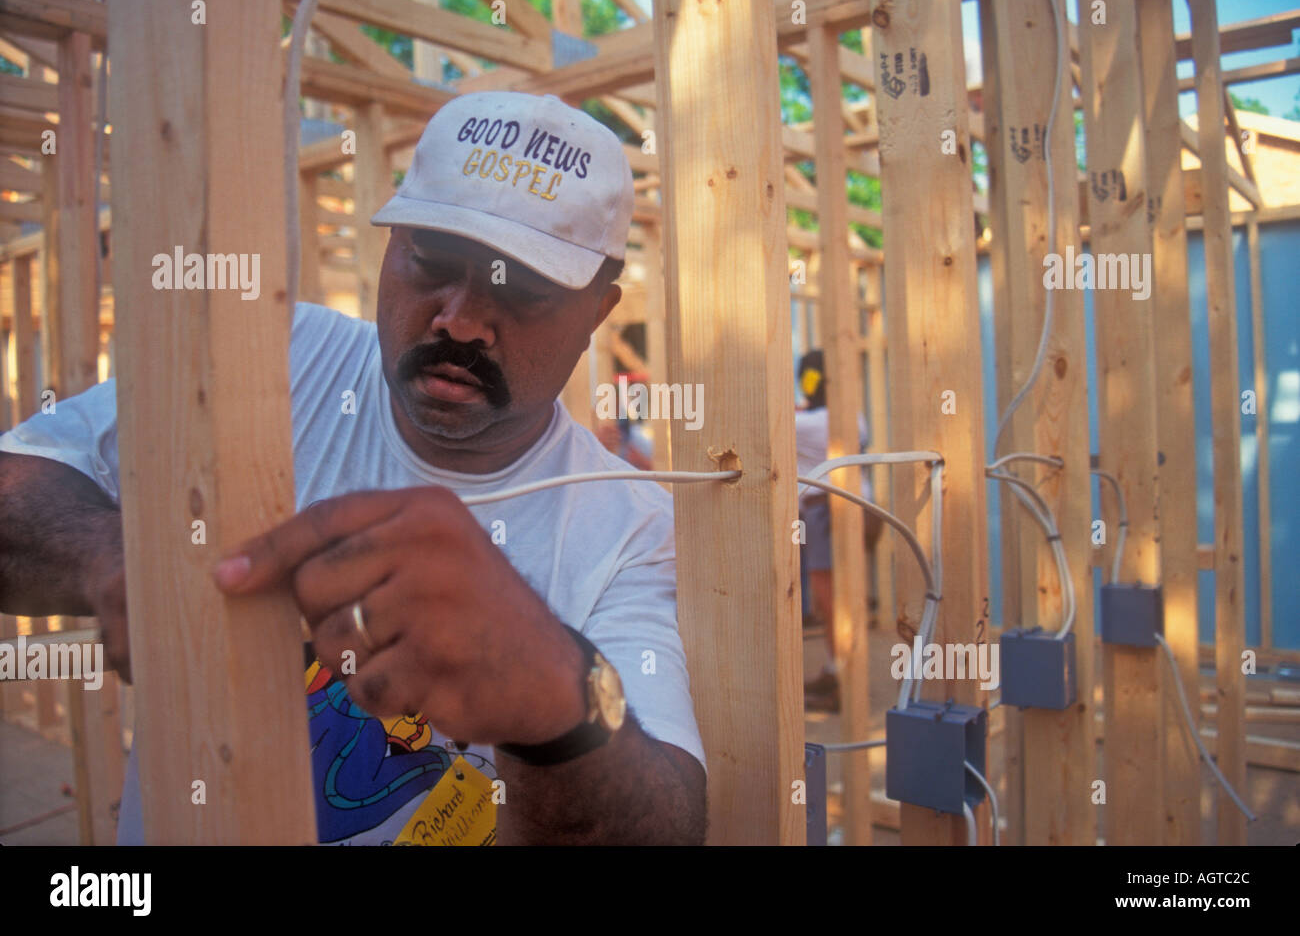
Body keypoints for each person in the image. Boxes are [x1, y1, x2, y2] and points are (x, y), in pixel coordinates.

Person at [0, 92, 706, 845]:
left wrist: (555, 700)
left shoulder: (629, 523)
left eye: (521, 288)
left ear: (600, 310)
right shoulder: (278, 363)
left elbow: (665, 822)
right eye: (432, 260)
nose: (460, 320)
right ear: (391, 242)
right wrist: (113, 555)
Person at [794, 350, 881, 713]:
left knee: (832, 602)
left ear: (812, 382)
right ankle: (836, 671)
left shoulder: (810, 424)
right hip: (860, 509)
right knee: (844, 598)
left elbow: (765, 422)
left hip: (828, 511)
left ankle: (843, 683)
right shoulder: (851, 417)